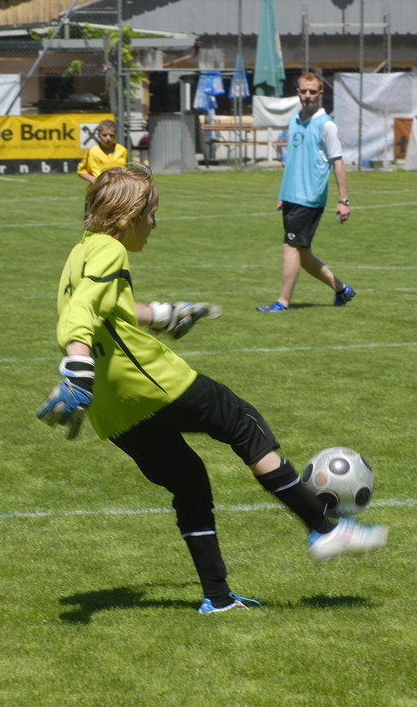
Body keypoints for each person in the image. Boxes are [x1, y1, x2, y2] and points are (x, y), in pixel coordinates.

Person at [37, 165, 388, 615]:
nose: (154, 223)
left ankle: (217, 598)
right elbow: (80, 315)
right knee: (243, 422)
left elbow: (106, 306)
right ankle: (324, 528)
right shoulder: (110, 249)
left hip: (113, 410)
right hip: (152, 383)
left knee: (189, 481)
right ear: (127, 219)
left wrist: (163, 313)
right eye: (151, 214)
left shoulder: (81, 251)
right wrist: (77, 371)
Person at [257, 72, 355, 312]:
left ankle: (283, 302)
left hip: (310, 198)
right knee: (303, 254)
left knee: (289, 247)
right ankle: (342, 290)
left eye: (312, 91)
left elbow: (338, 162)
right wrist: (283, 194)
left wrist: (343, 200)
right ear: (298, 92)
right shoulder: (294, 120)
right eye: (303, 91)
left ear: (321, 93)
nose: (307, 96)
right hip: (292, 196)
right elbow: (294, 160)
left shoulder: (326, 125)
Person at [77, 119, 128, 196]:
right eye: (104, 135)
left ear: (116, 135)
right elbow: (81, 171)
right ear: (98, 135)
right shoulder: (93, 151)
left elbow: (126, 170)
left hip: (118, 191)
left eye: (111, 135)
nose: (108, 138)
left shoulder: (122, 150)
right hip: (99, 191)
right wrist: (93, 179)